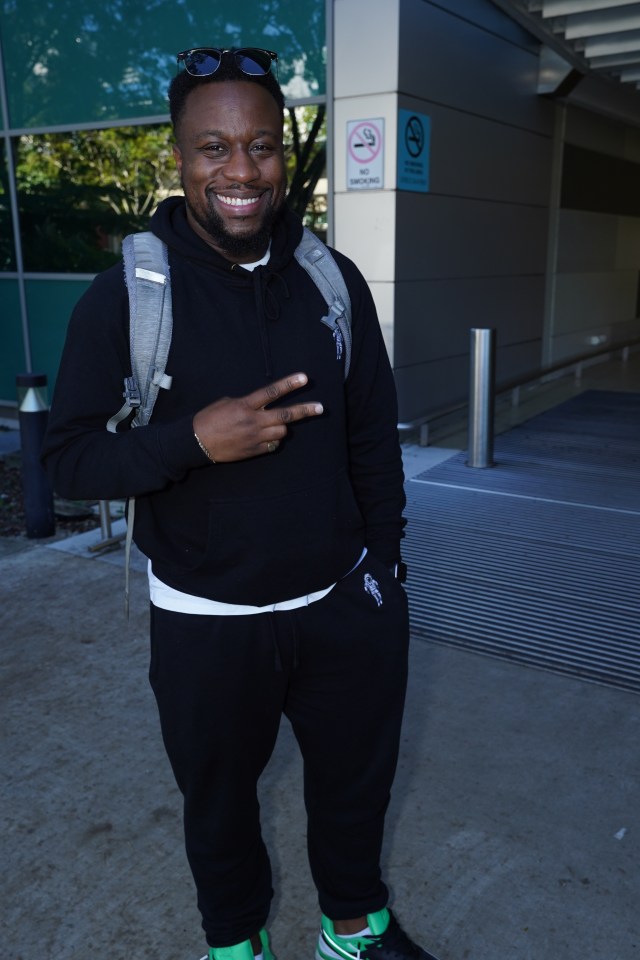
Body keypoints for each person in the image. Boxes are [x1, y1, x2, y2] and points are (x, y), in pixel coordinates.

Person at [42, 46, 438, 960]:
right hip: (206, 620)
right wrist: (191, 441)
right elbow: (66, 462)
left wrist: (383, 570)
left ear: (282, 157)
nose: (240, 171)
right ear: (178, 159)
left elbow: (373, 436)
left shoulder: (330, 282)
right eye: (213, 148)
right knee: (218, 802)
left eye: (259, 146)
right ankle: (234, 942)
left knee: (355, 785)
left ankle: (353, 927)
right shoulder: (126, 298)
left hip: (343, 601)